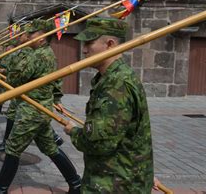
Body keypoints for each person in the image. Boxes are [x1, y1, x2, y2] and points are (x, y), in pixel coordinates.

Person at [63, 17, 154, 193]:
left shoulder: (117, 84)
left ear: (110, 44)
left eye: (89, 43)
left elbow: (100, 144)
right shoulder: (111, 78)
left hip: (114, 183)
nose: (84, 50)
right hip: (117, 176)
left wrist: (74, 132)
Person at [0, 20, 81, 194]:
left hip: (32, 111)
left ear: (41, 38)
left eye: (29, 34)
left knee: (12, 149)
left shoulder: (37, 56)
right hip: (39, 108)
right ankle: (76, 183)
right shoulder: (45, 53)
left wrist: (20, 50)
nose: (25, 36)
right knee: (50, 147)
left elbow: (15, 78)